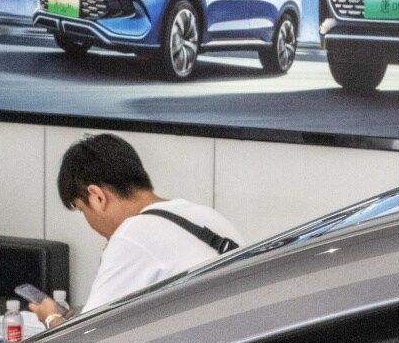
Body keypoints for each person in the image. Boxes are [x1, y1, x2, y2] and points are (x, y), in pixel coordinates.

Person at [30, 134, 242, 326]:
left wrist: (51, 317)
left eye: (82, 209)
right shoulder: (206, 216)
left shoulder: (132, 235)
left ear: (97, 197)